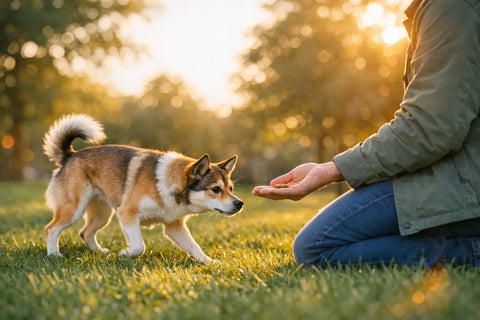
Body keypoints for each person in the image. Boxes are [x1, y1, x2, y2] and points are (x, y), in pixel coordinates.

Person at [252, 0, 480, 268]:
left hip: (467, 180)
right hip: (459, 168)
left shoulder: (450, 7)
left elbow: (429, 127)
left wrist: (332, 170)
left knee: (316, 247)